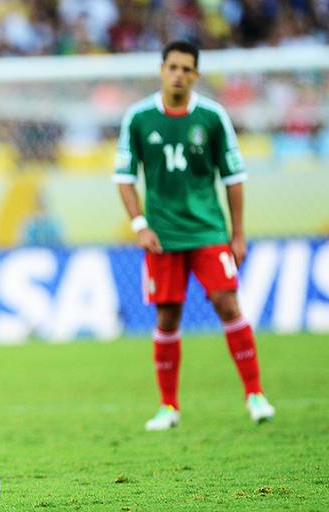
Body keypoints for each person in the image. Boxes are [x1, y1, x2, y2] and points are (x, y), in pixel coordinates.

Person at [113, 40, 275, 431]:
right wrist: (141, 225)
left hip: (208, 232)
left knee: (227, 303)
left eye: (187, 69)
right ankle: (169, 406)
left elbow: (233, 178)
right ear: (162, 69)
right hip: (163, 236)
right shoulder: (138, 118)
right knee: (168, 317)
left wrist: (238, 235)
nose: (179, 75)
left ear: (196, 75)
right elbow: (124, 178)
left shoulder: (213, 117)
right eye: (173, 67)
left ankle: (255, 394)